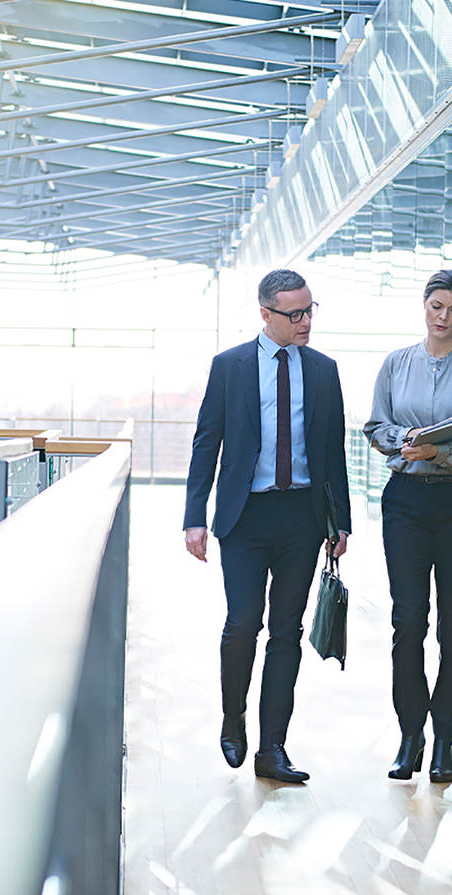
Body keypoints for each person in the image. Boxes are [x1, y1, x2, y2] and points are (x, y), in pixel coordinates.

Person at [183, 268, 351, 784]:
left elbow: (332, 451)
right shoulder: (229, 366)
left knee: (287, 631)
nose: (305, 322)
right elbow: (206, 442)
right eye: (294, 314)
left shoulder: (323, 370)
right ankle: (234, 717)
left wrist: (339, 520)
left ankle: (272, 747)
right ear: (265, 314)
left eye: (309, 310)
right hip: (245, 516)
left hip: (302, 517)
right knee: (243, 624)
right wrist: (194, 517)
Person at [363, 269, 452, 783]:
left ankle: (446, 735)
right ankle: (410, 732)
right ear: (424, 304)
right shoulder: (396, 364)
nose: (444, 318)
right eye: (437, 306)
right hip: (406, 503)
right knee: (407, 621)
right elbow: (376, 425)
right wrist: (406, 439)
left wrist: (437, 450)